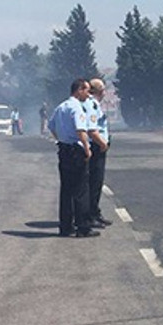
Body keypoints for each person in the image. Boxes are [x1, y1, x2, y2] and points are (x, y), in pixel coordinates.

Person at [49, 79, 99, 238]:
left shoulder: (61, 107)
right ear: (79, 90)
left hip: (64, 150)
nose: (88, 94)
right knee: (81, 190)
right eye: (86, 90)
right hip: (76, 150)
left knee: (66, 190)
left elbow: (51, 126)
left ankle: (65, 226)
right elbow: (81, 130)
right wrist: (86, 148)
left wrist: (60, 140)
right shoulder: (76, 107)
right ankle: (83, 227)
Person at [85, 78, 113, 227]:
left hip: (97, 145)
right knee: (94, 182)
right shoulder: (92, 105)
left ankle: (95, 212)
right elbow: (92, 129)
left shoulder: (93, 104)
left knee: (97, 182)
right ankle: (90, 215)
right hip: (96, 147)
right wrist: (103, 144)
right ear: (100, 91)